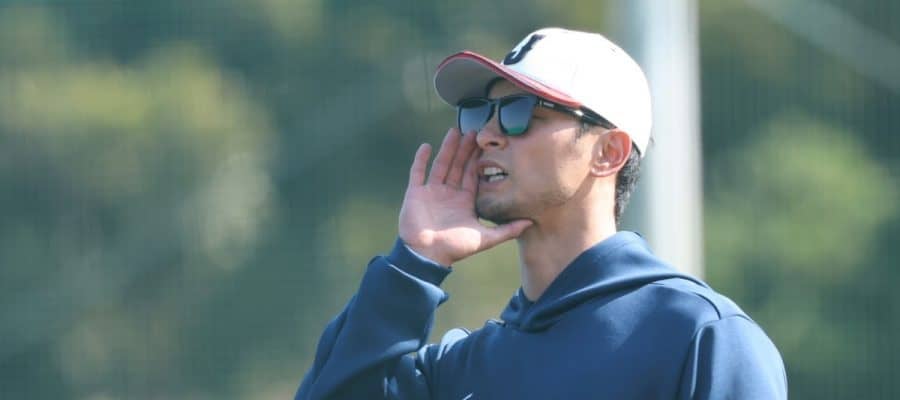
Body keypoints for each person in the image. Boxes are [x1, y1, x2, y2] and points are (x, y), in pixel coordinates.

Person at [295, 27, 787, 399]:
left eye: (521, 113)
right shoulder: (457, 368)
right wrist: (413, 263)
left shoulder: (701, 338)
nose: (485, 135)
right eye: (479, 112)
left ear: (609, 152)